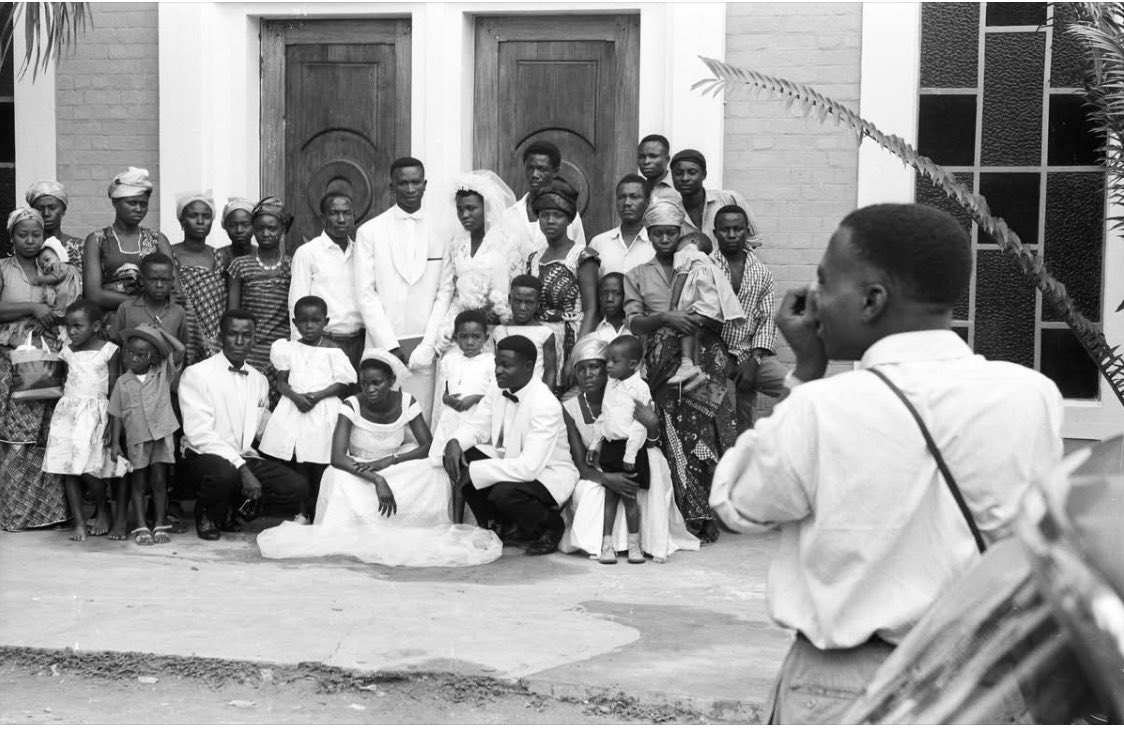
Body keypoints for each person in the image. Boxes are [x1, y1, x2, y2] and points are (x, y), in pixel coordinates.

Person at [709, 203, 1065, 724]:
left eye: (825, 283)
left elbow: (736, 505)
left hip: (848, 686)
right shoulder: (1033, 396)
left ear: (872, 300)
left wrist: (807, 371)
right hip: (983, 683)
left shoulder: (821, 407)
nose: (814, 301)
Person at [256, 348, 502, 568]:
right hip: (361, 467)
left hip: (394, 462)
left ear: (392, 381)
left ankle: (415, 526)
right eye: (365, 384)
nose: (370, 390)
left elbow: (427, 445)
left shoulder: (407, 401)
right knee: (337, 477)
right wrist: (376, 479)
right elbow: (338, 457)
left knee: (433, 471)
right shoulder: (351, 404)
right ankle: (362, 527)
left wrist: (391, 460)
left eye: (377, 383)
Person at [624, 198, 736, 544]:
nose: (664, 240)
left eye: (671, 233)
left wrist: (695, 319)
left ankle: (705, 515)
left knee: (705, 434)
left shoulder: (699, 263)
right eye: (657, 234)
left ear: (679, 232)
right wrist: (666, 317)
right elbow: (634, 322)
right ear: (649, 234)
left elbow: (717, 305)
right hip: (661, 365)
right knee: (674, 439)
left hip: (702, 361)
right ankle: (681, 518)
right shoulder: (636, 274)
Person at [559, 335, 698, 563]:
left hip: (633, 456)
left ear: (610, 368)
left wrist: (652, 424)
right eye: (580, 369)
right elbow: (581, 464)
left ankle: (640, 544)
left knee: (642, 484)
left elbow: (650, 441)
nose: (588, 374)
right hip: (597, 471)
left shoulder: (631, 392)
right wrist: (607, 478)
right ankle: (604, 545)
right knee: (593, 495)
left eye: (595, 366)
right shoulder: (569, 408)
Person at [443, 335, 580, 556]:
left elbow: (529, 468)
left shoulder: (545, 403)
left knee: (503, 492)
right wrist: (455, 441)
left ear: (528, 367)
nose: (498, 371)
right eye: (497, 364)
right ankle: (501, 526)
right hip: (512, 461)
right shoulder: (498, 389)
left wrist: (476, 471)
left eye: (506, 365)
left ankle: (549, 527)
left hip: (547, 473)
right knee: (457, 456)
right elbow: (477, 427)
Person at [179, 309, 310, 540]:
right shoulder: (197, 374)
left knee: (297, 486)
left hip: (243, 457)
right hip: (203, 456)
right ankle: (207, 512)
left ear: (254, 339)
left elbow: (262, 425)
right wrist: (242, 468)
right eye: (233, 334)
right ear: (221, 337)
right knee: (224, 474)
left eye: (246, 335)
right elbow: (199, 435)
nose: (240, 341)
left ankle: (235, 508)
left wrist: (299, 438)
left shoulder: (259, 379)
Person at [354, 157, 455, 421]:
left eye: (415, 183)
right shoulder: (370, 231)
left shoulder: (442, 231)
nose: (410, 189)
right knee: (382, 417)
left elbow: (444, 292)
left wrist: (429, 344)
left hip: (425, 345)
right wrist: (389, 344)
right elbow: (365, 293)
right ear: (391, 186)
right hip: (382, 343)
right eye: (403, 183)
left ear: (424, 185)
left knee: (420, 418)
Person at [0, 208, 67, 532]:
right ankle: (13, 514)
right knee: (14, 438)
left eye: (35, 234)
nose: (29, 240)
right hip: (8, 361)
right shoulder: (3, 269)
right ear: (11, 237)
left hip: (44, 360)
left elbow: (68, 307)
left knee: (44, 435)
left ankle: (44, 514)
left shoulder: (53, 268)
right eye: (22, 234)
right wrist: (31, 307)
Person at [258, 295, 356, 515]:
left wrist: (317, 396)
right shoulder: (288, 349)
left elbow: (342, 384)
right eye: (303, 321)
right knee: (300, 460)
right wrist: (296, 397)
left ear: (326, 322)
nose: (309, 325)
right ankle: (301, 511)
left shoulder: (334, 350)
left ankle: (320, 509)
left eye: (315, 320)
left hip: (323, 411)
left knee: (321, 461)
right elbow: (281, 382)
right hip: (296, 410)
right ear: (294, 323)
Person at [42, 299, 118, 542]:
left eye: (78, 326)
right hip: (68, 415)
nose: (72, 331)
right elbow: (63, 384)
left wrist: (113, 423)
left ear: (96, 326)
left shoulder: (109, 351)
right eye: (68, 326)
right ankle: (79, 522)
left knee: (90, 469)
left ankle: (102, 507)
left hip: (96, 415)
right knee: (69, 470)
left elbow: (115, 390)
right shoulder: (66, 352)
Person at [710, 204, 785, 433]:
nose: (732, 235)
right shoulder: (705, 267)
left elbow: (767, 320)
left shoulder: (761, 272)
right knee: (710, 408)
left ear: (746, 232)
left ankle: (759, 444)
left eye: (738, 229)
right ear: (715, 233)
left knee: (795, 387)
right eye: (725, 230)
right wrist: (721, 354)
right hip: (712, 354)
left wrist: (754, 361)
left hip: (749, 353)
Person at [108, 323, 184, 546]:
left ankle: (160, 523)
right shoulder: (122, 382)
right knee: (138, 484)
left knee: (160, 482)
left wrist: (160, 333)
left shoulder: (162, 373)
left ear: (152, 357)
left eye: (141, 354)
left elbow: (180, 350)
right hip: (137, 439)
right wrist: (114, 443)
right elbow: (116, 415)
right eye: (130, 352)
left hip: (160, 436)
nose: (134, 358)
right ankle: (141, 525)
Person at [433, 170, 520, 353]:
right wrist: (448, 324)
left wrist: (499, 311)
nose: (464, 215)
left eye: (471, 208)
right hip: (466, 331)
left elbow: (517, 286)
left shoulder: (507, 241)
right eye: (460, 209)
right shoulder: (456, 243)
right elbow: (456, 291)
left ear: (487, 208)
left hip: (498, 326)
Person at [585, 335, 653, 565]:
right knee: (610, 497)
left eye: (615, 361)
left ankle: (635, 546)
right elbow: (605, 416)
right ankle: (607, 546)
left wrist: (630, 455)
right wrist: (595, 443)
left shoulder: (640, 388)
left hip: (630, 449)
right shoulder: (610, 386)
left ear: (632, 364)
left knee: (630, 497)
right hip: (611, 448)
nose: (609, 366)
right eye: (607, 361)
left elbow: (640, 425)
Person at [525, 182, 600, 383]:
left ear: (569, 219)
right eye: (544, 215)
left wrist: (576, 357)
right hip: (539, 343)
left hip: (571, 340)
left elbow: (592, 310)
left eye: (557, 216)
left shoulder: (582, 257)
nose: (550, 221)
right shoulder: (533, 259)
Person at [227, 196, 294, 406]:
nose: (265, 234)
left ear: (283, 230)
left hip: (283, 350)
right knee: (247, 406)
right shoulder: (240, 265)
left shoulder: (292, 265)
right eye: (260, 228)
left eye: (272, 228)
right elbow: (232, 313)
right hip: (249, 348)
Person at [83, 168, 175, 317]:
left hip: (154, 321)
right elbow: (93, 295)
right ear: (115, 202)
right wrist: (142, 304)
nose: (138, 209)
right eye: (132, 203)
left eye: (143, 204)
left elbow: (174, 289)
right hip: (110, 322)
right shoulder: (97, 240)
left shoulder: (157, 239)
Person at [288, 192, 365, 370]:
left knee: (356, 397)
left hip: (360, 343)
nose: (341, 219)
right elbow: (296, 304)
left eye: (346, 213)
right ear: (323, 218)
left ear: (353, 217)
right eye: (334, 213)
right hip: (324, 343)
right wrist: (300, 350)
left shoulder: (362, 252)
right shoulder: (308, 253)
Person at [429, 310, 496, 504]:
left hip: (476, 417)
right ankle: (448, 507)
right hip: (452, 417)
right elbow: (444, 392)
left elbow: (494, 394)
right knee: (448, 465)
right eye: (464, 337)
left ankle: (469, 508)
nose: (469, 342)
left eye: (476, 337)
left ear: (486, 337)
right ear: (456, 337)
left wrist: (474, 398)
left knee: (468, 463)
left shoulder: (490, 362)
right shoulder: (449, 360)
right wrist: (449, 400)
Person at [667, 229, 745, 389]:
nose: (677, 247)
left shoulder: (688, 251)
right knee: (695, 333)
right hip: (714, 310)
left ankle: (686, 364)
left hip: (704, 307)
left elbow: (681, 278)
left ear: (692, 242)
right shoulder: (709, 261)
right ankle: (697, 371)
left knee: (685, 324)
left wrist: (673, 306)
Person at [501, 141, 587, 260]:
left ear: (555, 171)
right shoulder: (508, 216)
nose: (535, 174)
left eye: (542, 169)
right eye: (530, 168)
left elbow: (579, 256)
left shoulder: (570, 217)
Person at [170, 190, 228, 366]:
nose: (201, 221)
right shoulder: (170, 254)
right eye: (193, 216)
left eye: (206, 216)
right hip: (180, 330)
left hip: (214, 336)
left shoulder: (220, 256)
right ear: (182, 220)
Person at [669, 149, 761, 249]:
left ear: (704, 174)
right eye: (678, 173)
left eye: (692, 172)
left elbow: (754, 240)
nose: (685, 178)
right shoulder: (671, 212)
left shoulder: (729, 199)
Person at [108, 253, 189, 351]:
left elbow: (181, 348)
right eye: (153, 280)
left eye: (165, 280)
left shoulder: (178, 312)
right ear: (142, 280)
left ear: (172, 281)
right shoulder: (126, 308)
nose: (159, 285)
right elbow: (113, 345)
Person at [491, 274, 557, 392]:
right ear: (509, 299)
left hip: (533, 397)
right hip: (504, 396)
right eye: (517, 301)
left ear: (538, 303)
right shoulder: (499, 331)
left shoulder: (544, 333)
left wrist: (546, 398)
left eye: (529, 302)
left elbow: (550, 371)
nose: (522, 307)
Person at [589, 174, 653, 276]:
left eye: (634, 197)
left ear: (647, 203)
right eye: (622, 197)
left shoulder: (655, 244)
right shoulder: (599, 243)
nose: (627, 202)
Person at [26, 180, 85, 273]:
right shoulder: (24, 247)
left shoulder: (81, 247)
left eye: (52, 207)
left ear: (63, 210)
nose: (46, 213)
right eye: (39, 208)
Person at [32, 240, 82, 318]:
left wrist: (41, 279)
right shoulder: (51, 278)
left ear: (58, 256)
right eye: (42, 266)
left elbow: (55, 278)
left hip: (74, 296)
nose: (46, 265)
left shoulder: (63, 266)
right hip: (65, 302)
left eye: (47, 259)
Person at [637, 134, 682, 205]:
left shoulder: (680, 189)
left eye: (653, 156)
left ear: (667, 159)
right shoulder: (637, 190)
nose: (646, 161)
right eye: (642, 157)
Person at [592, 273, 629, 345]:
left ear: (627, 295)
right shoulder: (596, 331)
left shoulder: (636, 329)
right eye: (604, 293)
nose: (609, 299)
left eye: (617, 293)